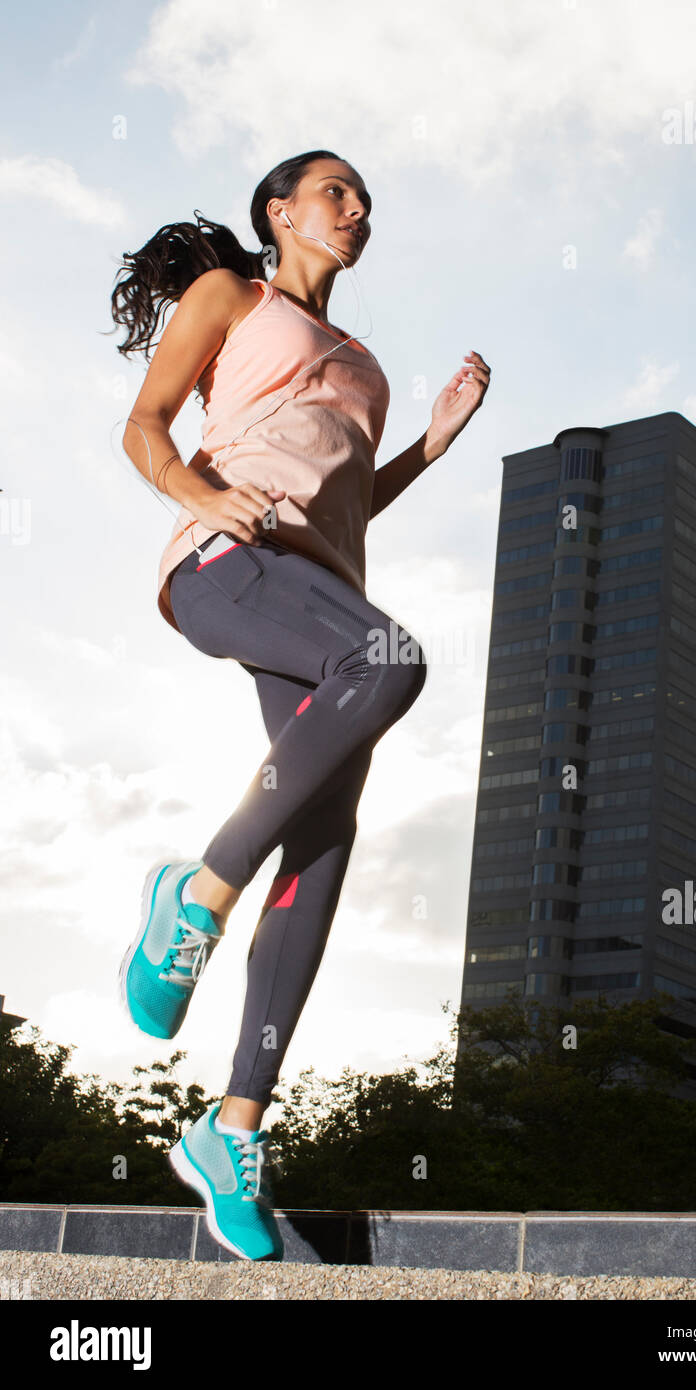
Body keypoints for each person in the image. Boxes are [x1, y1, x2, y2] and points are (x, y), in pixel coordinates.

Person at [109, 149, 490, 1260]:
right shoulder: (233, 296)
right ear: (280, 213)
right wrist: (201, 491)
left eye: (365, 199)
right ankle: (199, 888)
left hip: (319, 593)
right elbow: (147, 424)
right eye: (336, 191)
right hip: (230, 559)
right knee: (395, 663)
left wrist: (432, 440)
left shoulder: (364, 364)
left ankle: (231, 1130)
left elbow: (353, 492)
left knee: (325, 842)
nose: (357, 208)